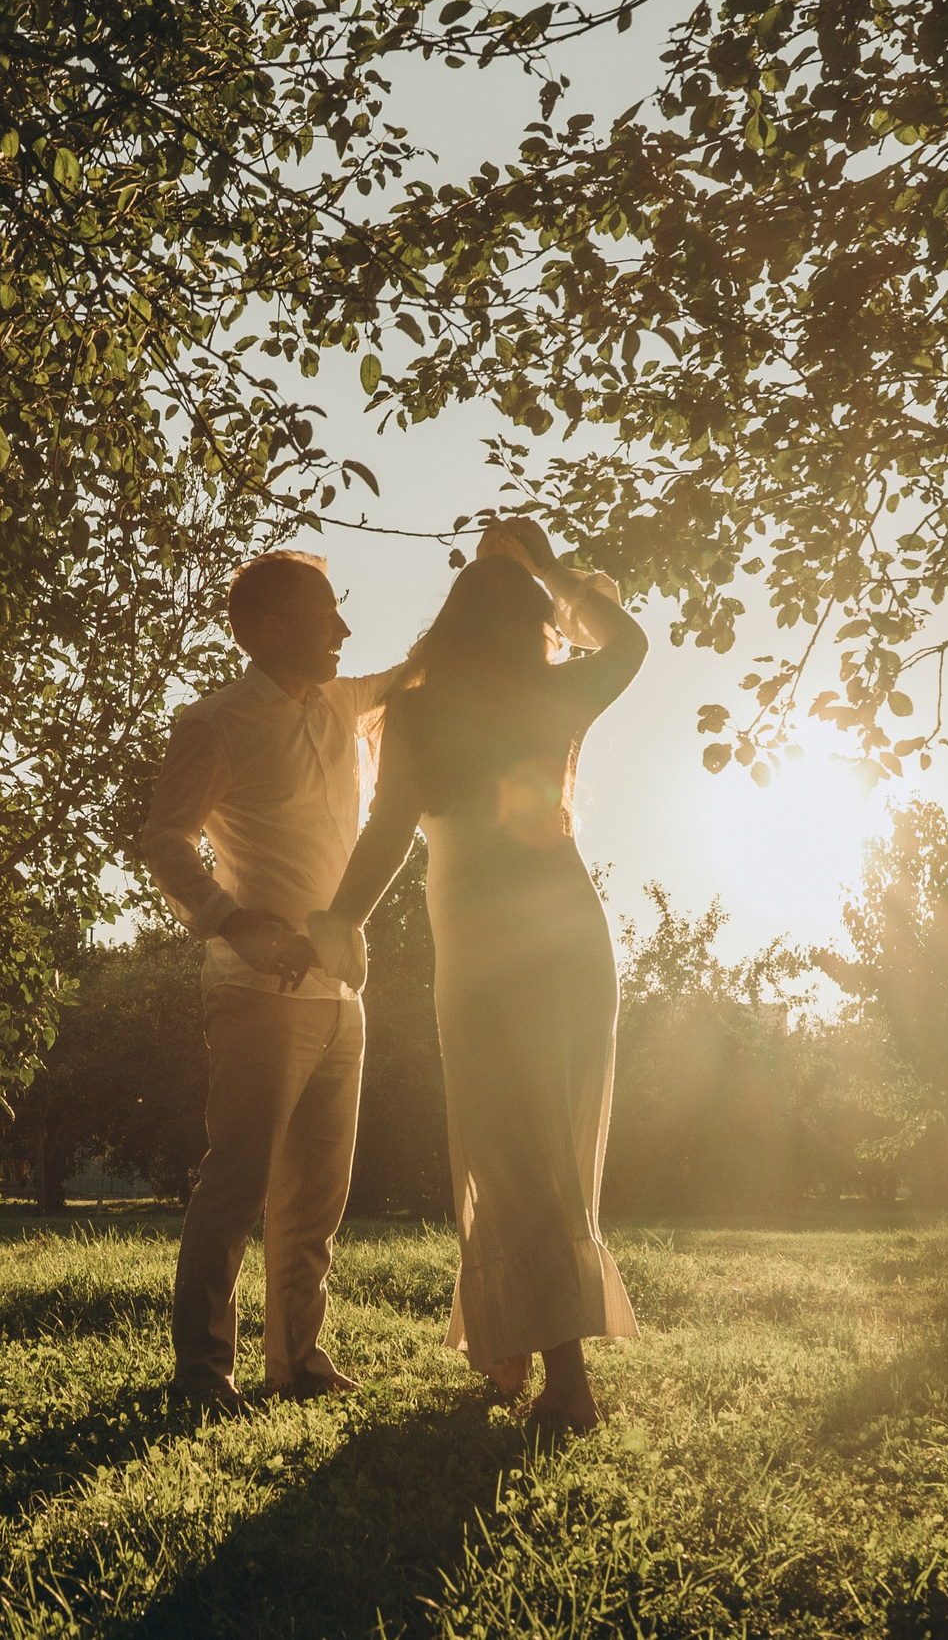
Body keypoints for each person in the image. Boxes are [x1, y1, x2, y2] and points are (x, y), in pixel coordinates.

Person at [307, 518, 647, 1430]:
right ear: (532, 629)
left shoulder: (420, 710)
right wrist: (550, 566)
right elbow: (633, 641)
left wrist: (340, 917)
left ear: (452, 627)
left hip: (488, 942)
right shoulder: (558, 695)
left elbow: (387, 833)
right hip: (572, 931)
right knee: (552, 1148)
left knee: (512, 1150)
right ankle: (514, 1350)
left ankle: (566, 1384)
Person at [136, 550, 403, 1412]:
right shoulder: (214, 724)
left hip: (342, 990)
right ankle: (205, 1375)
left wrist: (502, 577)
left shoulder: (341, 701)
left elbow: (419, 669)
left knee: (316, 1195)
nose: (346, 630)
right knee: (238, 1185)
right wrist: (234, 922)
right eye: (331, 613)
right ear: (276, 627)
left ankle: (299, 1360)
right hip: (256, 993)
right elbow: (164, 839)